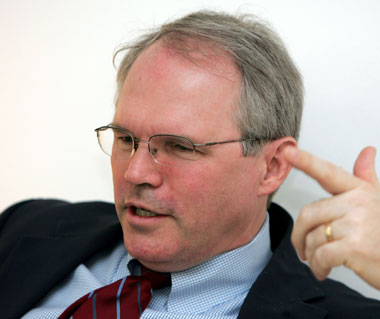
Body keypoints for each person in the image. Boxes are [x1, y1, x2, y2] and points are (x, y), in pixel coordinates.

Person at [1, 10, 380, 319]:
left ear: (272, 167)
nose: (136, 173)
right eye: (126, 140)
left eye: (180, 147)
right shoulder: (26, 224)